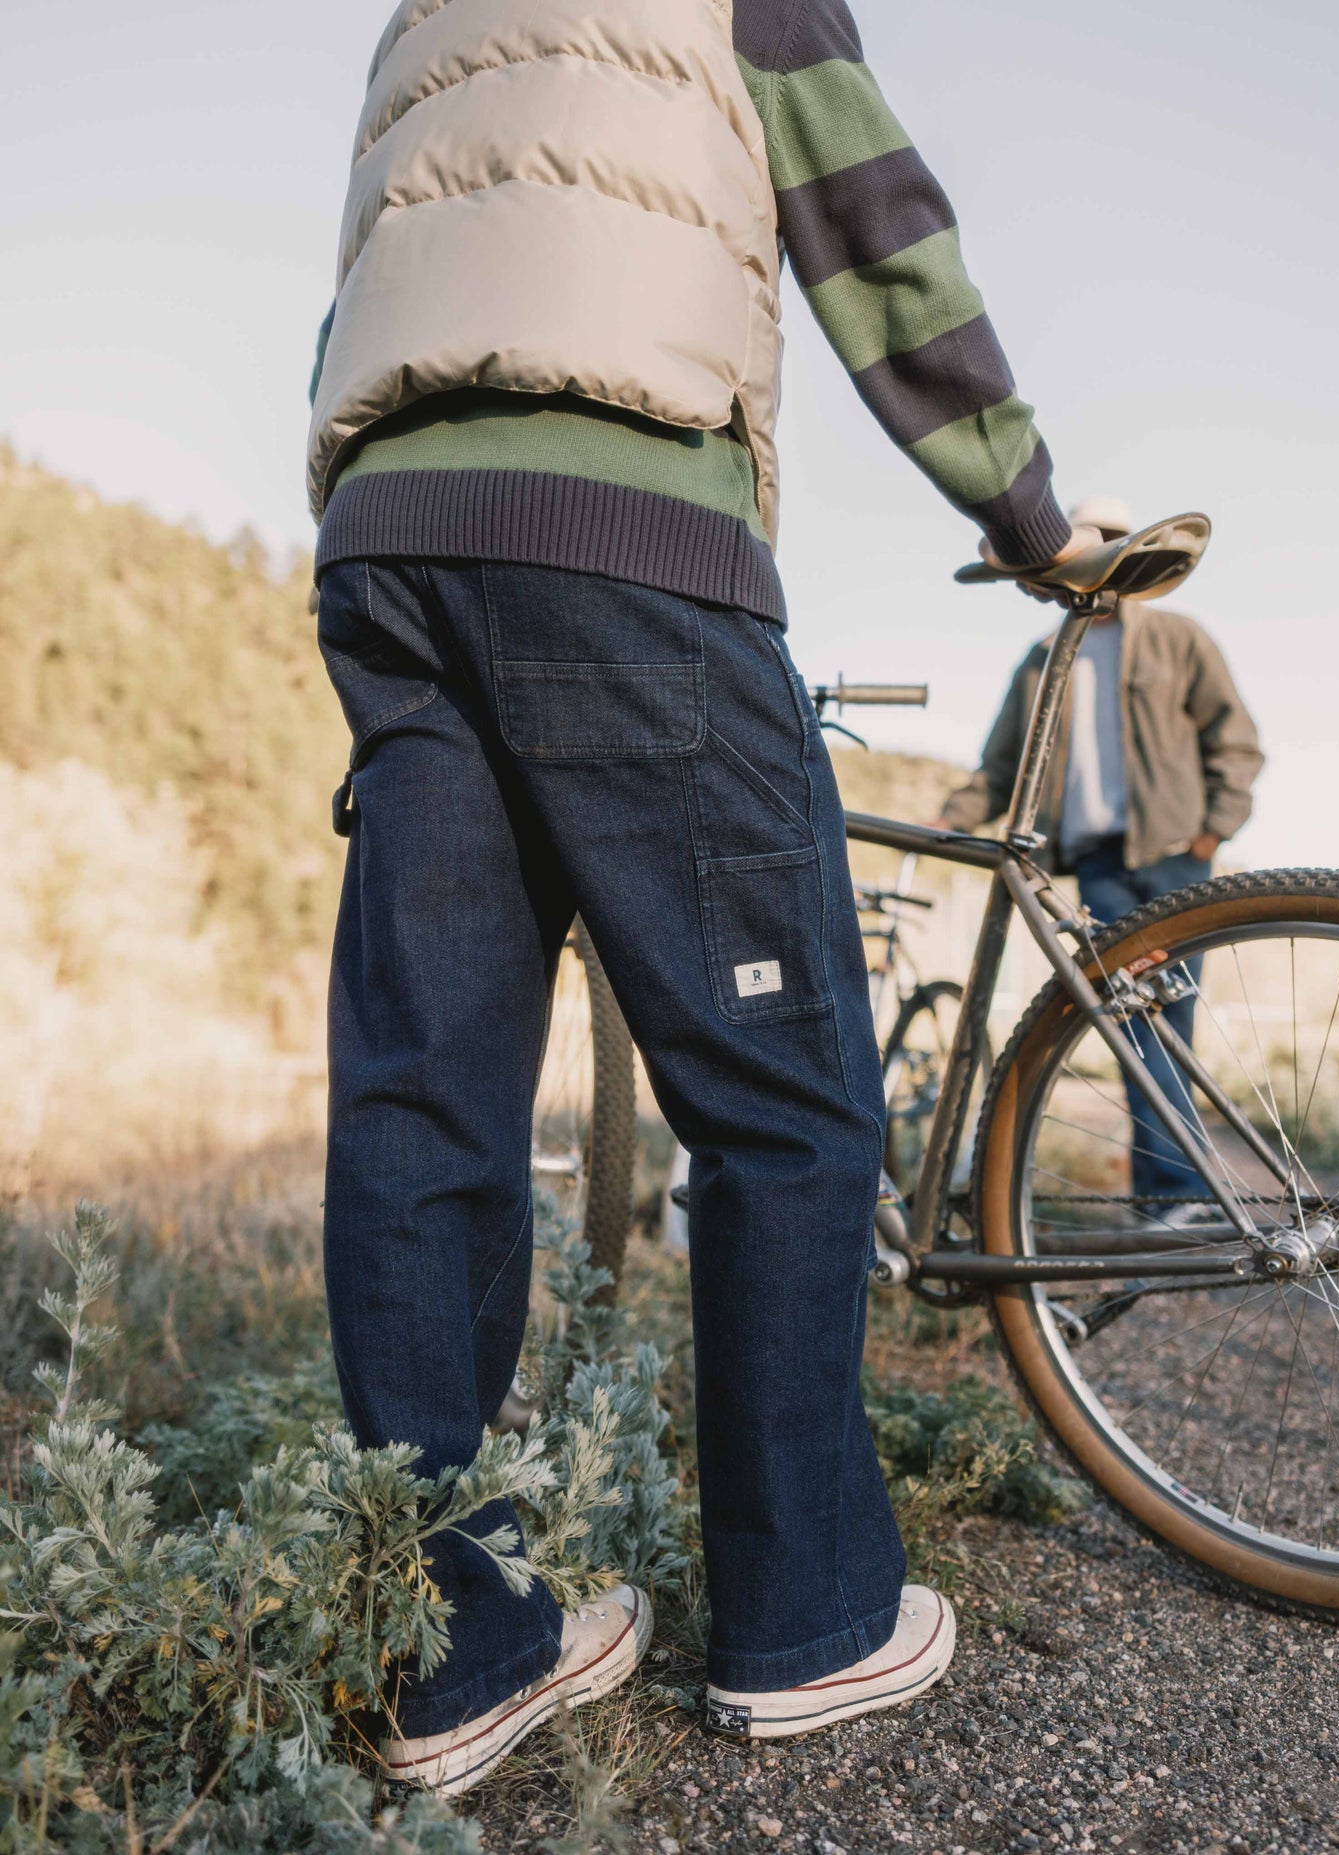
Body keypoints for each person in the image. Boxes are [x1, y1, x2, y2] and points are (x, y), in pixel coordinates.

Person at [308, 0, 1094, 1793]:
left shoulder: (429, 13)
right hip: (624, 529)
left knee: (425, 1105)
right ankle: (810, 1617)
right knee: (789, 1096)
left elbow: (374, 276)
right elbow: (876, 229)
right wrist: (1031, 510)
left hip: (395, 541)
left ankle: (457, 1648)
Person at [939, 495, 1264, 1210]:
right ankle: (1169, 1195)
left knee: (1168, 1021)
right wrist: (946, 819)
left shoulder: (1178, 639)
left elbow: (1235, 738)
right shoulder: (1042, 658)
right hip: (1096, 867)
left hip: (1177, 857)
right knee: (1132, 1026)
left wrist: (1215, 830)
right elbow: (1000, 768)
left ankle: (1174, 1193)